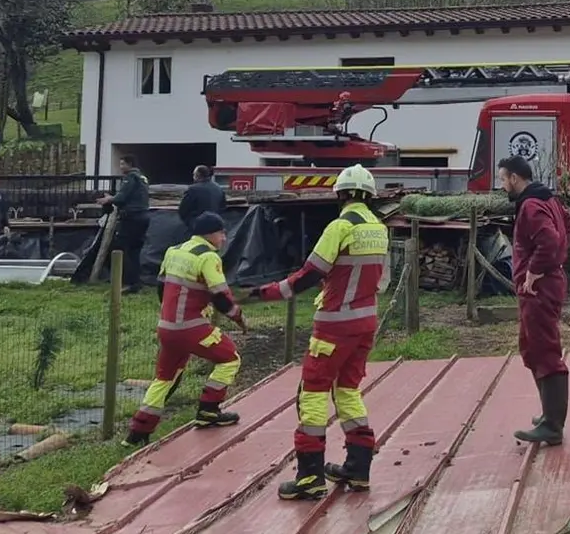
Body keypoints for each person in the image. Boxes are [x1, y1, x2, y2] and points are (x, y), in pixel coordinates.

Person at [256, 164, 389, 500]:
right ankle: (358, 470)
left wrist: (270, 292)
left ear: (341, 194)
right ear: (369, 196)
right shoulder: (379, 227)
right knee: (347, 391)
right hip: (366, 323)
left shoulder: (340, 226)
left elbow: (310, 274)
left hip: (334, 325)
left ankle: (310, 477)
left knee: (312, 394)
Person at [125, 211, 246, 446]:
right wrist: (238, 317)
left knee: (164, 378)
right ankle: (209, 411)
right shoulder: (208, 257)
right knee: (230, 358)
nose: (224, 239)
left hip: (167, 327)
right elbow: (221, 296)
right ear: (211, 234)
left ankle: (138, 431)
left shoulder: (174, 250)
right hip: (191, 328)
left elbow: (161, 287)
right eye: (222, 233)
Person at [498, 156, 570, 446]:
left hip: (539, 287)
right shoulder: (547, 199)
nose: (502, 185)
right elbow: (569, 223)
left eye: (503, 179)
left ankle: (553, 425)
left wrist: (535, 271)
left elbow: (550, 241)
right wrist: (556, 259)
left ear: (515, 178)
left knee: (544, 349)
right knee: (531, 347)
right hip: (546, 283)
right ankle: (548, 414)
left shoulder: (531, 206)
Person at [97, 156, 150, 294]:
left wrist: (109, 199)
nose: (120, 167)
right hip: (143, 216)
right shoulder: (142, 178)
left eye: (122, 164)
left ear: (130, 164)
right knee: (135, 251)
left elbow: (121, 198)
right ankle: (136, 282)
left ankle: (126, 282)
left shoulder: (130, 178)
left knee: (121, 248)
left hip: (131, 218)